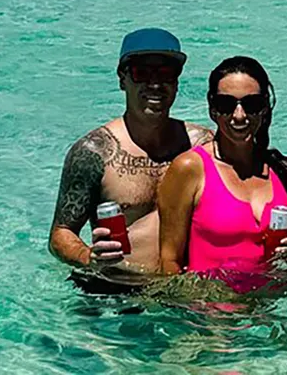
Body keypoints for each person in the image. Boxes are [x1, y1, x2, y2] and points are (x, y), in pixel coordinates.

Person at [48, 29, 213, 290]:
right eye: (141, 73)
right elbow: (61, 233)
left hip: (182, 290)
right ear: (122, 79)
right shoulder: (94, 151)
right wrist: (87, 257)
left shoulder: (203, 145)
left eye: (165, 73)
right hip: (114, 288)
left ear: (177, 81)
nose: (154, 84)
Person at [158, 57, 287, 290]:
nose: (239, 115)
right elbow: (169, 262)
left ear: (265, 108)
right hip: (209, 315)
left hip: (269, 311)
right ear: (212, 109)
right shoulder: (190, 169)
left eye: (252, 104)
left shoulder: (285, 172)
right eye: (226, 104)